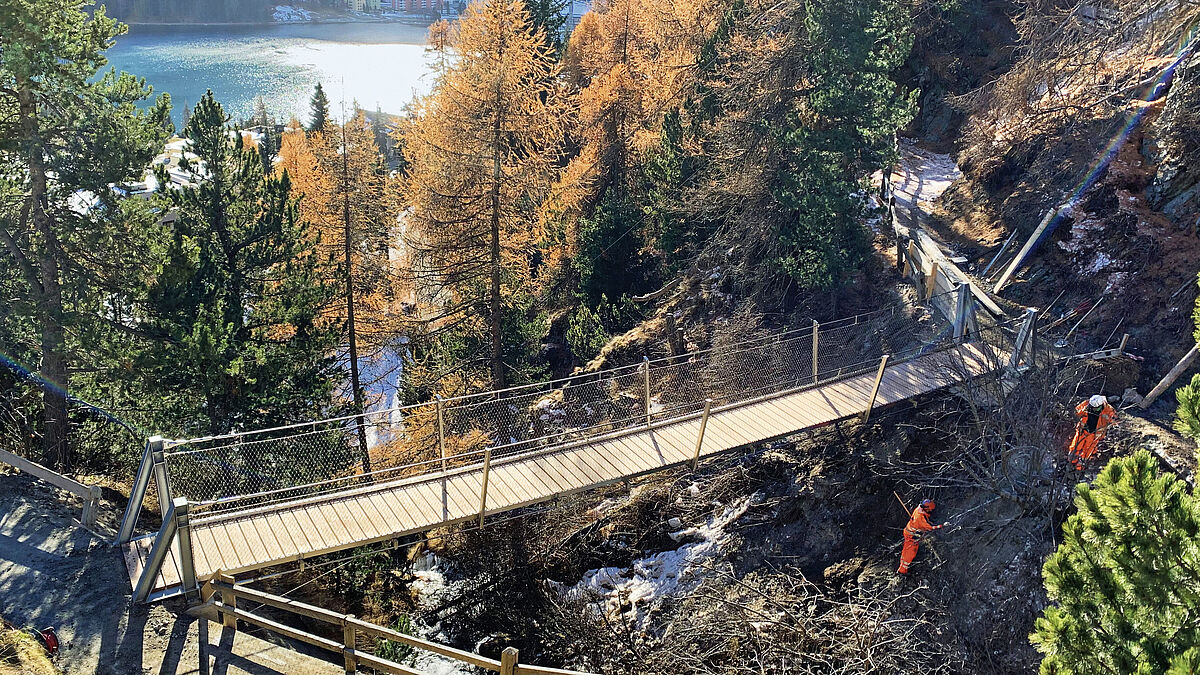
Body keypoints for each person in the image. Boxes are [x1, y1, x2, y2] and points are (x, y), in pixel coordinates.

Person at [1068, 394, 1117, 470]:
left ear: (1100, 406)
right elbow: (1077, 411)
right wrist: (1082, 410)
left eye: (1094, 408)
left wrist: (1111, 421)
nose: (1092, 409)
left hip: (1094, 434)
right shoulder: (1087, 404)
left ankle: (1080, 466)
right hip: (1082, 430)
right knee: (1075, 446)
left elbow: (1115, 419)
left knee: (1088, 449)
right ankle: (1072, 460)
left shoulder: (1108, 410)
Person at [898, 499, 947, 574]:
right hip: (911, 536)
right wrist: (942, 525)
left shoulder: (919, 509)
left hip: (910, 533)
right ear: (927, 508)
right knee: (910, 552)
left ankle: (902, 567)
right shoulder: (920, 519)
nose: (931, 511)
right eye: (931, 509)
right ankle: (902, 571)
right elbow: (930, 527)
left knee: (907, 550)